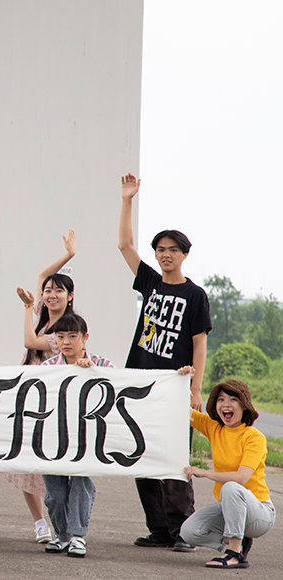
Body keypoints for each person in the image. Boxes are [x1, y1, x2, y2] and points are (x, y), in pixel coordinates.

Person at [118, 173, 211, 551]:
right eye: (160, 249)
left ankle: (182, 532)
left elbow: (199, 344)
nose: (165, 254)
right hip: (141, 385)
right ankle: (158, 529)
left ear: (184, 254)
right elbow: (124, 244)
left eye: (172, 249)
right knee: (140, 456)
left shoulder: (195, 294)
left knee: (173, 459)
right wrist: (127, 199)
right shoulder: (151, 283)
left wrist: (195, 388)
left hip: (174, 387)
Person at [13, 231, 78, 542]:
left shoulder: (68, 328)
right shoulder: (41, 314)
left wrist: (27, 308)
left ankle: (62, 523)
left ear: (70, 297)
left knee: (51, 465)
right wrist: (68, 255)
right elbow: (41, 275)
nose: (51, 294)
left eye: (59, 291)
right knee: (26, 464)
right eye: (48, 291)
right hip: (29, 394)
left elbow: (30, 342)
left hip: (53, 401)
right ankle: (40, 523)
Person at [38, 313, 113, 558]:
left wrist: (91, 372)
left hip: (87, 437)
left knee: (80, 482)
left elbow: (118, 388)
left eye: (72, 336)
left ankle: (78, 536)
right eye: (60, 336)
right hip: (54, 437)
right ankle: (62, 536)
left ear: (85, 338)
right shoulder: (47, 368)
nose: (66, 341)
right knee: (55, 493)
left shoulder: (101, 364)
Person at [181, 378, 275, 568]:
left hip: (259, 513)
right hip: (229, 509)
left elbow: (241, 478)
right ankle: (238, 542)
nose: (225, 404)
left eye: (233, 399)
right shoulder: (214, 427)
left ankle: (233, 554)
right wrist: (182, 380)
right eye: (221, 399)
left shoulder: (254, 437)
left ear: (244, 406)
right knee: (188, 531)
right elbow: (180, 409)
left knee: (231, 486)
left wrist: (204, 473)